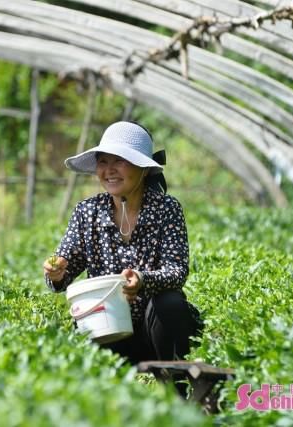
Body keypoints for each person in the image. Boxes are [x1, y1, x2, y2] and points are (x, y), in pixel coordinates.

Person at [43, 121, 202, 367]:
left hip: (158, 331)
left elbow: (176, 271)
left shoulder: (166, 209)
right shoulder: (88, 212)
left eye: (120, 161)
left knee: (169, 303)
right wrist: (56, 271)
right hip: (107, 330)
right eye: (103, 162)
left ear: (144, 169)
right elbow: (61, 272)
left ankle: (175, 386)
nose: (110, 170)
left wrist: (142, 280)